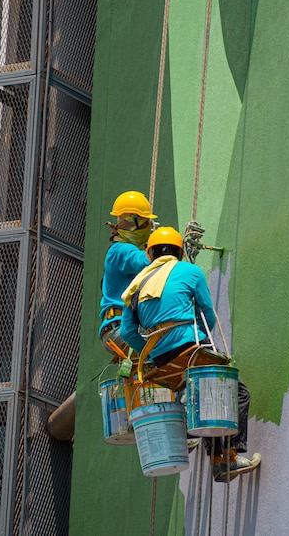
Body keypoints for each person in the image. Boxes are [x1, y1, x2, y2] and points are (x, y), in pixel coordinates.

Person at [120, 226, 261, 481]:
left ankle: (219, 460)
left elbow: (128, 332)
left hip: (163, 360)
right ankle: (227, 458)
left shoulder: (136, 285)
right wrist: (206, 342)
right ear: (180, 251)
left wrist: (151, 353)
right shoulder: (190, 272)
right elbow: (208, 312)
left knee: (203, 404)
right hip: (191, 350)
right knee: (236, 394)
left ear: (150, 253)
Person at [98, 190, 157, 357]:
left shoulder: (118, 251)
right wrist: (165, 245)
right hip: (120, 329)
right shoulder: (121, 250)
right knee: (169, 348)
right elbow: (146, 262)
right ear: (134, 222)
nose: (149, 229)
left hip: (118, 328)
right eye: (146, 224)